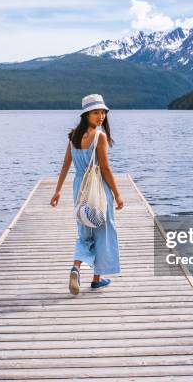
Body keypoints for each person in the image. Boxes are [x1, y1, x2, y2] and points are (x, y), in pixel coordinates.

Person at [50, 93, 124, 295]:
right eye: (96, 113)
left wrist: (57, 191)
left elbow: (66, 165)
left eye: (103, 112)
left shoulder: (73, 136)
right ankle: (96, 279)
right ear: (86, 115)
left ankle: (76, 268)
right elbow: (106, 169)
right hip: (98, 188)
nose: (101, 116)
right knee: (102, 229)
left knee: (84, 231)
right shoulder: (99, 136)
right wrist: (117, 194)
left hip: (79, 188)